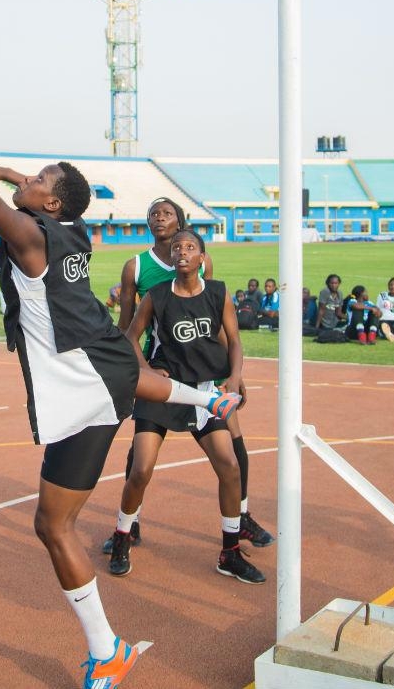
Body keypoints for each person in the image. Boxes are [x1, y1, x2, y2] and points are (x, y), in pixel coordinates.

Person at [0, 58, 240, 689]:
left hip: (79, 387)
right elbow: (10, 179)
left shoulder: (32, 237)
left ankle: (108, 651)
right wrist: (26, 177)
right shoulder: (66, 225)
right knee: (130, 380)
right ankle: (206, 401)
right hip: (101, 365)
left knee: (54, 525)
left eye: (40, 178)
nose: (29, 178)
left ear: (48, 202)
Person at [102, 197, 272, 578]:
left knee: (230, 462)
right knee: (140, 467)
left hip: (206, 388)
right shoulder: (147, 281)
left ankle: (231, 545)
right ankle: (124, 533)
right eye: (179, 247)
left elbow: (230, 336)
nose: (182, 252)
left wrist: (234, 374)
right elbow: (129, 331)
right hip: (163, 385)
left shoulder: (216, 290)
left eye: (189, 247)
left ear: (201, 257)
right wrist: (141, 371)